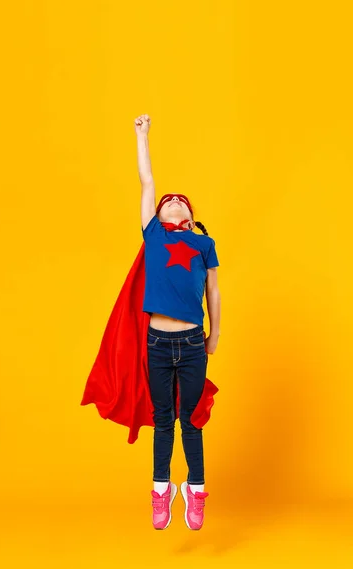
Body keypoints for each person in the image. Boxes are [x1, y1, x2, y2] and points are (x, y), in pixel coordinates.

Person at [135, 114, 221, 530]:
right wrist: (142, 136)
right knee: (163, 418)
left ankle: (196, 490)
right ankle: (161, 488)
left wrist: (215, 333)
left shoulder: (204, 243)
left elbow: (214, 293)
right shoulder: (153, 234)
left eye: (178, 200)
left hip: (190, 343)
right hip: (156, 342)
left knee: (192, 419)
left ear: (189, 215)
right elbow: (147, 181)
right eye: (166, 200)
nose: (170, 200)